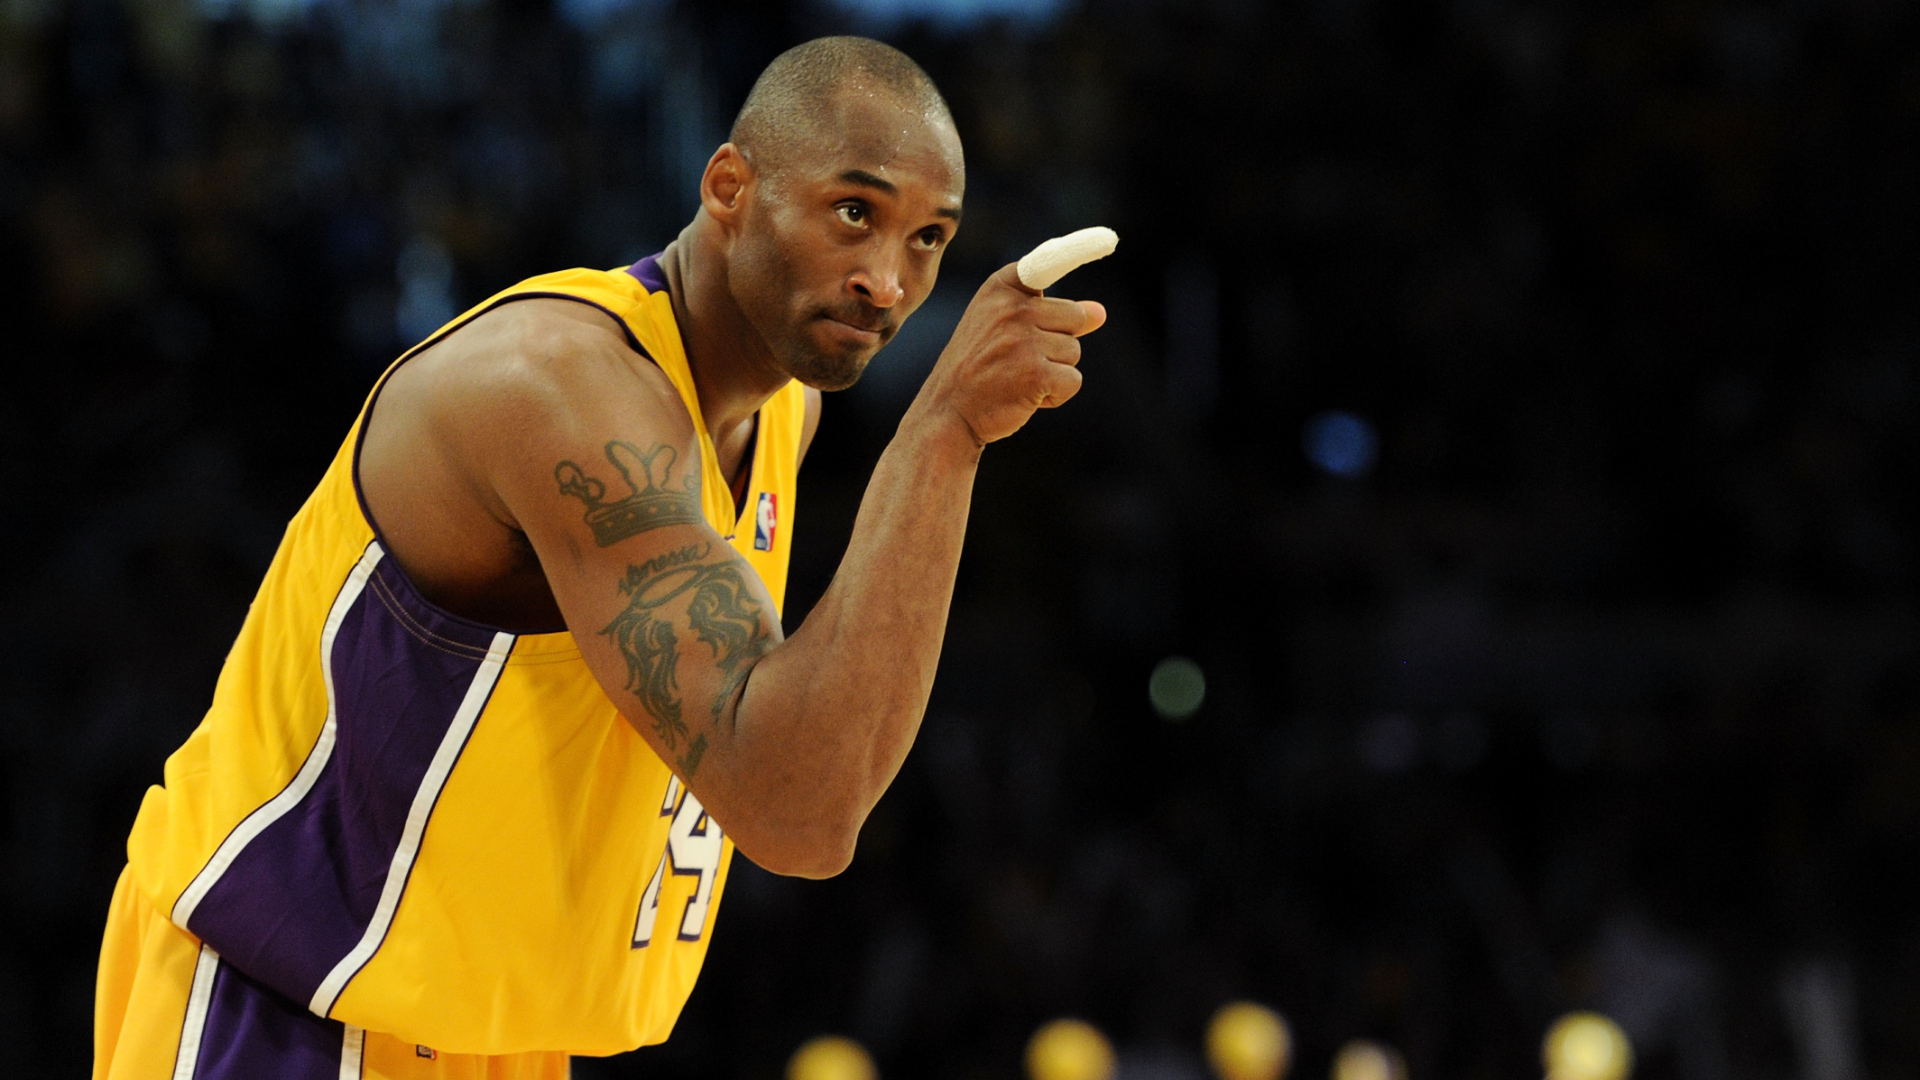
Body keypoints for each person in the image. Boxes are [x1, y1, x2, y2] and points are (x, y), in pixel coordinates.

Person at [93, 35, 1107, 1079]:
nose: (887, 282)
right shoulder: (564, 394)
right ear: (730, 187)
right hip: (291, 1003)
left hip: (501, 1034)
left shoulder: (782, 418)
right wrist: (941, 438)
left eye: (929, 239)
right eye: (856, 212)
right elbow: (801, 811)